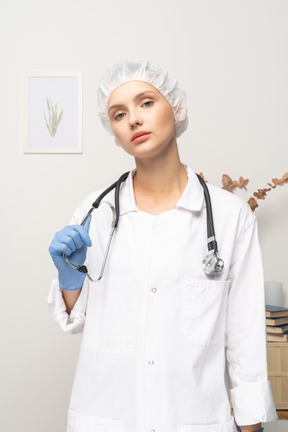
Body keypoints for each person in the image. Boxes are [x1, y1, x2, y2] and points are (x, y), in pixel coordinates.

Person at [48, 58, 278, 432]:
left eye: (146, 103)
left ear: (177, 107)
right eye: (119, 114)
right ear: (114, 130)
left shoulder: (230, 216)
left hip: (194, 419)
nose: (134, 120)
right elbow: (76, 320)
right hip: (107, 417)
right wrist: (69, 279)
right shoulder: (96, 214)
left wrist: (250, 424)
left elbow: (244, 332)